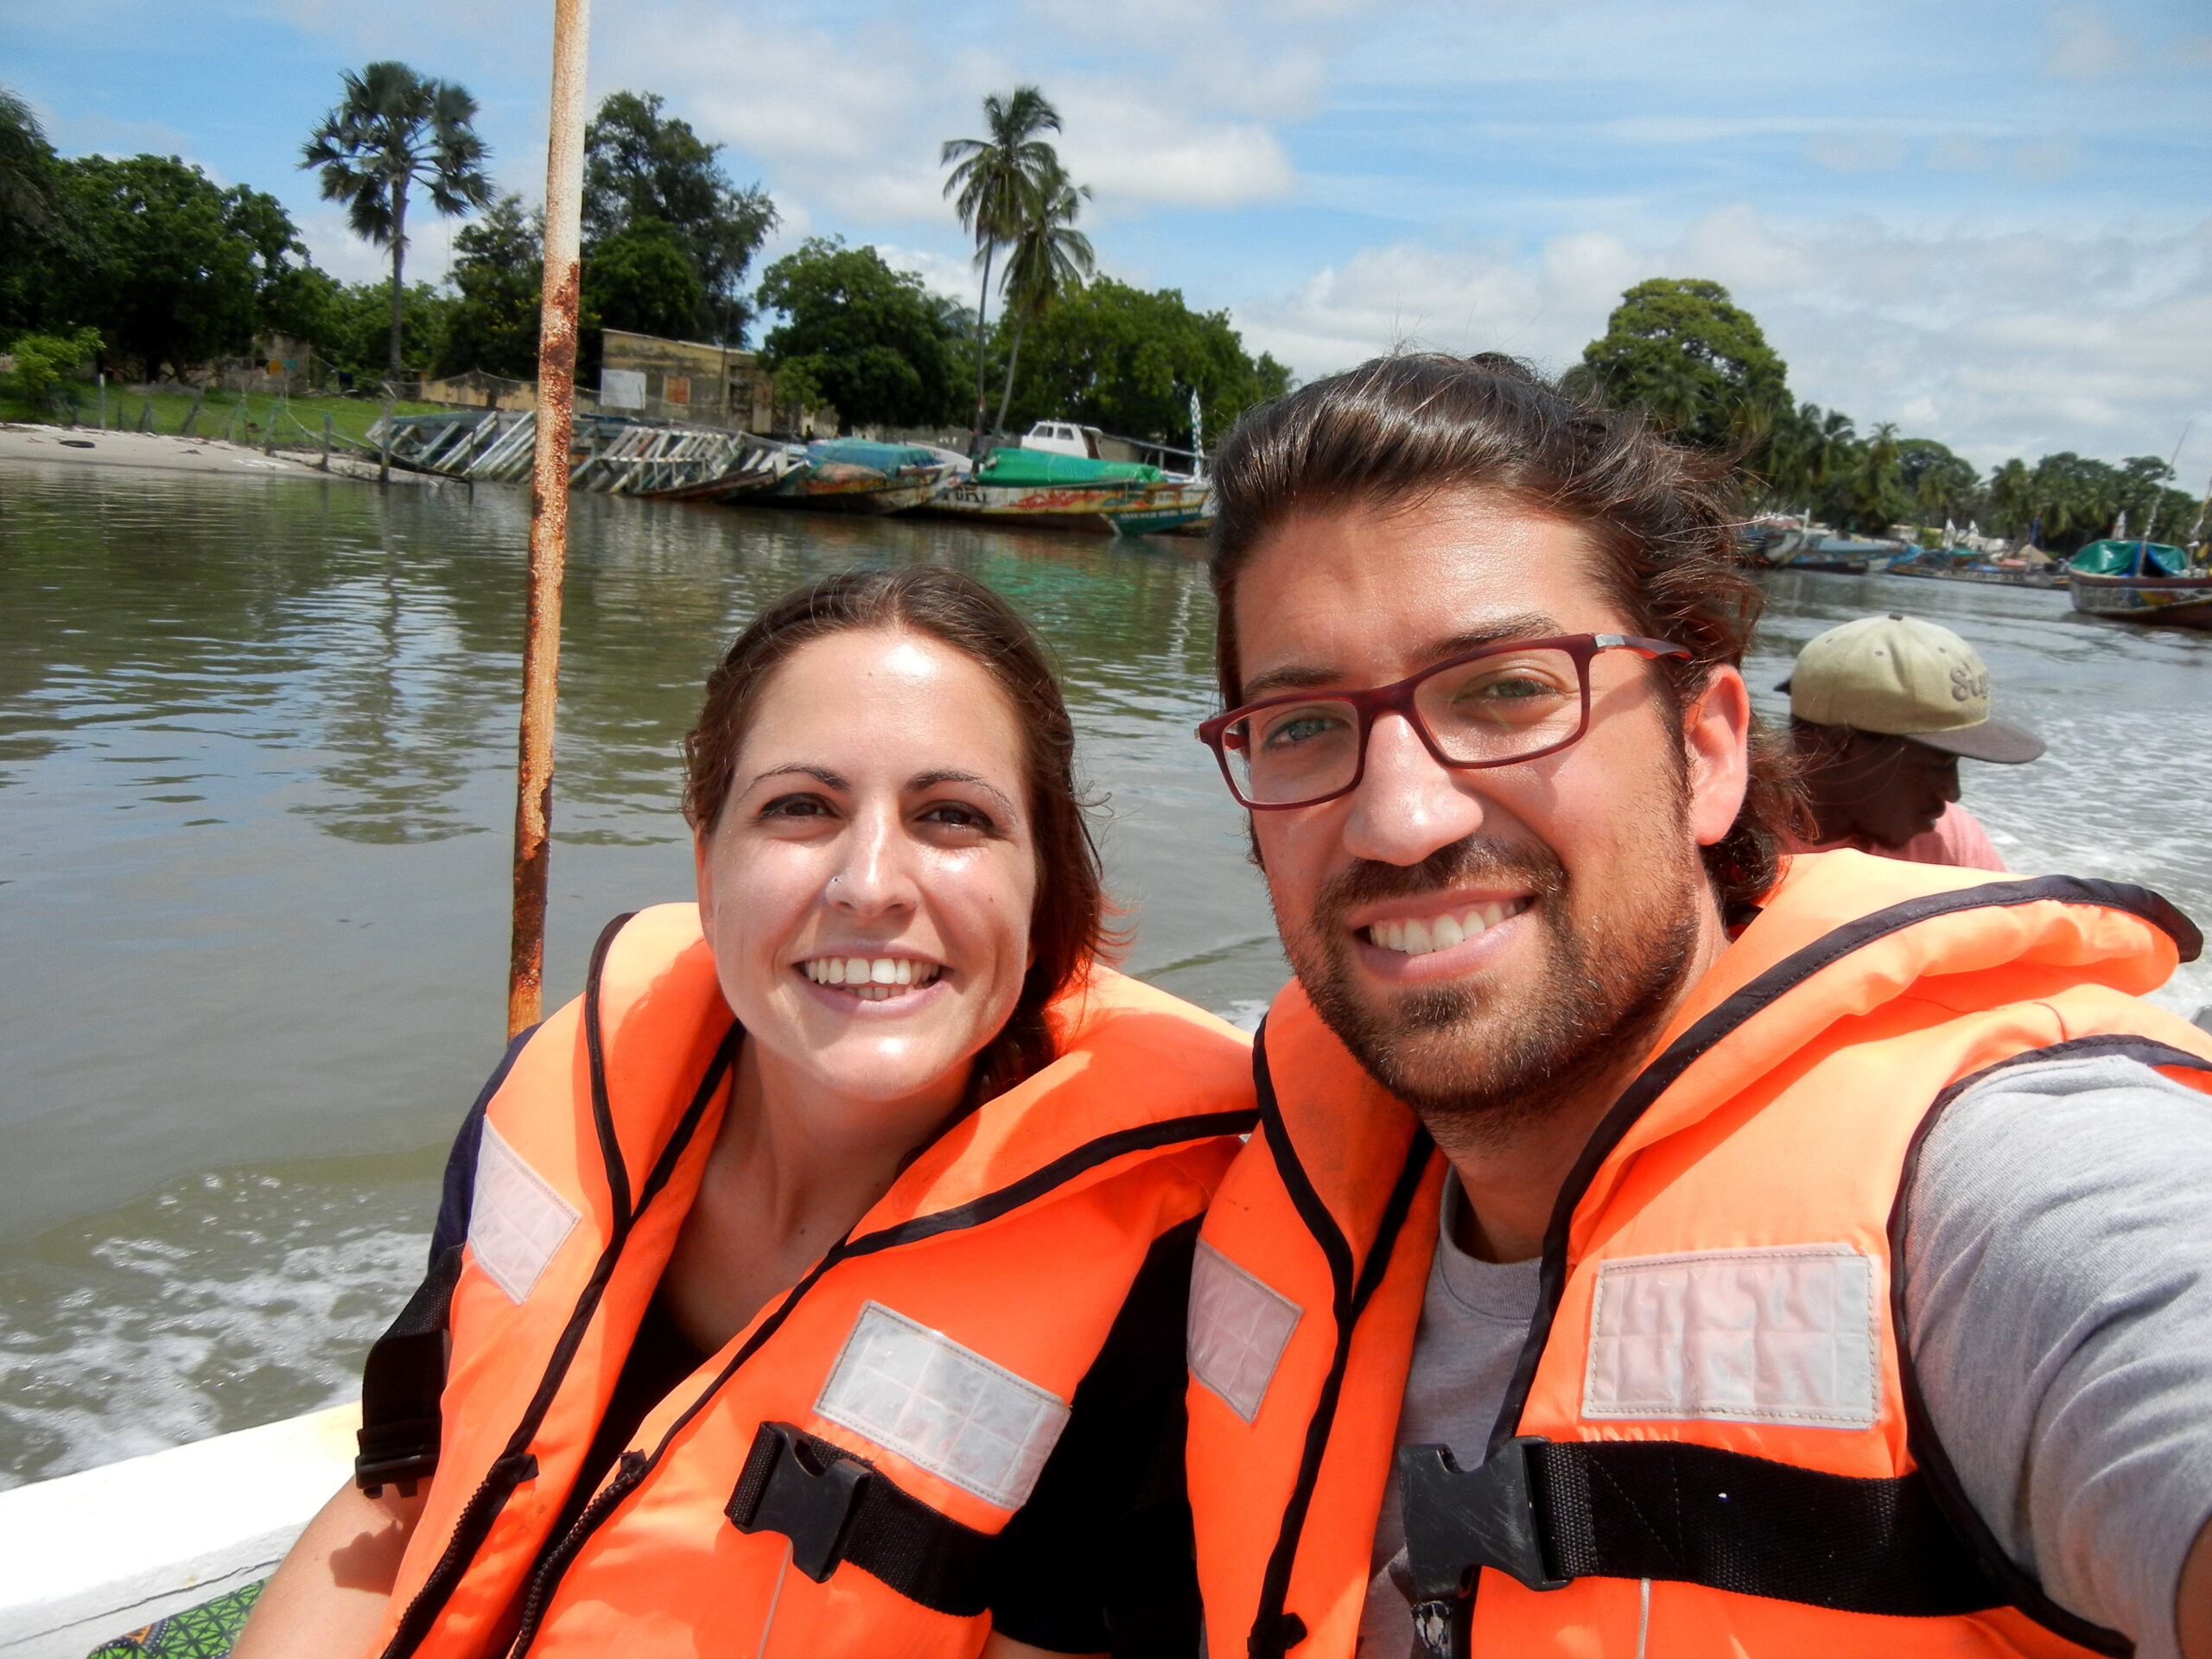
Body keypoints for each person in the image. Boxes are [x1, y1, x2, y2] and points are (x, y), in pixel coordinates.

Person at [1178, 354, 2212, 1659]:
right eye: (1301, 725)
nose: (1399, 818)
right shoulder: (1252, 1166)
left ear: (1708, 750)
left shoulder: (1997, 1199)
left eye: (1507, 690)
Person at [236, 567, 1257, 1659]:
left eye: (951, 815)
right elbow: (398, 1514)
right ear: (706, 862)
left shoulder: (1156, 1277)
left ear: (1046, 888)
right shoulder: (563, 1089)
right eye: (800, 808)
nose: (870, 883)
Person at [1781, 612, 2044, 871]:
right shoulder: (1744, 838)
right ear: (1843, 746)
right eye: (1937, 766)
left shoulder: (1953, 844)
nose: (1953, 793)